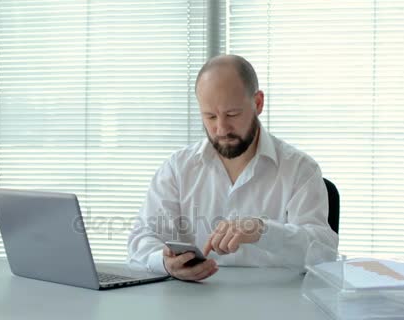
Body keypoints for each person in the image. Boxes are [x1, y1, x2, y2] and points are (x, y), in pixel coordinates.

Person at [127, 54, 338, 281]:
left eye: (232, 114)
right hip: (192, 303)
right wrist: (166, 263)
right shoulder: (178, 169)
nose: (221, 129)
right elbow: (141, 240)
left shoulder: (300, 169)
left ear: (258, 103)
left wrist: (263, 231)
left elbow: (323, 254)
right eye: (210, 116)